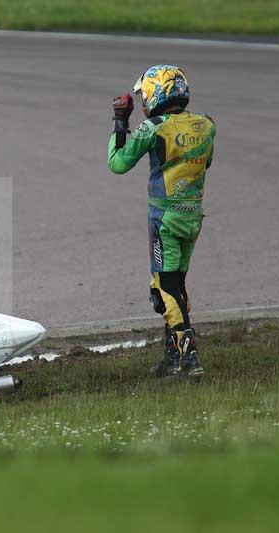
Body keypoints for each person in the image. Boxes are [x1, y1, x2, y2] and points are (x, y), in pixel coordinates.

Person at [107, 65, 216, 377]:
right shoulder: (207, 125)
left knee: (163, 288)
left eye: (145, 96)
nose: (142, 103)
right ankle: (172, 357)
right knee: (174, 285)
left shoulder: (153, 127)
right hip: (192, 216)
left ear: (157, 93)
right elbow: (206, 161)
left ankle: (188, 351)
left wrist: (120, 121)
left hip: (164, 218)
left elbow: (117, 163)